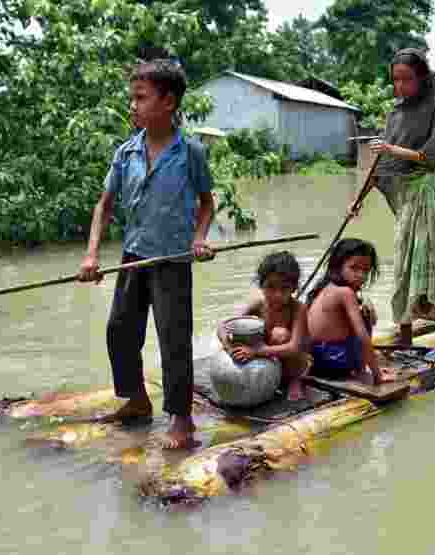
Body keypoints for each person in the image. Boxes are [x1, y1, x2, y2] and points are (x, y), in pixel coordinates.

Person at [77, 59, 216, 450]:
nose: (132, 105)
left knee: (173, 338)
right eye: (133, 98)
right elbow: (104, 206)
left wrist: (199, 238)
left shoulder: (190, 153)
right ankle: (137, 400)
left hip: (172, 261)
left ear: (168, 102)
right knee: (119, 331)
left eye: (141, 97)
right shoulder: (126, 153)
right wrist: (91, 256)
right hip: (134, 257)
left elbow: (207, 203)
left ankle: (182, 418)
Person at [349, 48, 435, 364]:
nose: (400, 86)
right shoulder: (394, 115)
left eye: (406, 79)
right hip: (408, 200)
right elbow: (381, 166)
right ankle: (406, 333)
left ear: (421, 78)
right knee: (404, 265)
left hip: (434, 197)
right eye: (395, 80)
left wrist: (392, 149)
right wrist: (358, 200)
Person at [216, 251, 312, 401]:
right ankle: (272, 376)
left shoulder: (298, 309)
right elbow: (223, 326)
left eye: (284, 288)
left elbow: (294, 347)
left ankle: (295, 380)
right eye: (271, 287)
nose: (277, 295)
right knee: (239, 335)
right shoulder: (258, 305)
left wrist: (256, 351)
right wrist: (230, 348)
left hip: (296, 363)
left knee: (280, 334)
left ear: (293, 288)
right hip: (269, 356)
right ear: (261, 285)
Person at [305, 238, 397, 385]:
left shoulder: (326, 287)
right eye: (354, 268)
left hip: (315, 359)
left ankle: (361, 368)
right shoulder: (345, 293)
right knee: (364, 316)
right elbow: (363, 336)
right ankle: (361, 371)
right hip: (332, 362)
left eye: (365, 270)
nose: (361, 275)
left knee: (364, 311)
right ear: (338, 267)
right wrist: (377, 375)